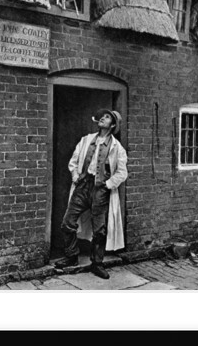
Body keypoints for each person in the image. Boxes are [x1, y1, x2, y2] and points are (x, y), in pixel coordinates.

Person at [57, 108, 128, 279]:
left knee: (100, 230)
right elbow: (74, 161)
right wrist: (75, 176)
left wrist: (108, 185)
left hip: (100, 190)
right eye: (102, 116)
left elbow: (122, 172)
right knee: (68, 222)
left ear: (112, 125)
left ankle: (97, 263)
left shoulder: (117, 148)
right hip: (83, 186)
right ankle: (72, 256)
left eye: (107, 117)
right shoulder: (86, 140)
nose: (102, 118)